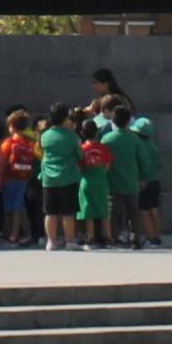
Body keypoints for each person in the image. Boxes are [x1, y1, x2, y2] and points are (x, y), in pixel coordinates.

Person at [114, 96, 162, 247]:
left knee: (143, 211)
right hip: (155, 180)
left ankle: (147, 237)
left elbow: (141, 162)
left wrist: (142, 178)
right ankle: (156, 236)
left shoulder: (137, 143)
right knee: (154, 210)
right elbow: (159, 164)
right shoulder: (154, 146)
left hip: (142, 181)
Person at [35, 105, 83, 253]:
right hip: (68, 176)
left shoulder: (45, 135)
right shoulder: (71, 136)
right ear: (64, 118)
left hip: (48, 178)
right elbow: (80, 155)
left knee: (50, 212)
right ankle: (69, 241)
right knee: (68, 212)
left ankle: (51, 242)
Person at [73, 106, 117, 249]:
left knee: (88, 211)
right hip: (101, 181)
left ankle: (91, 238)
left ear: (81, 133)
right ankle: (108, 238)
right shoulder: (103, 148)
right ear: (97, 132)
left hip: (86, 181)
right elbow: (109, 164)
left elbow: (78, 165)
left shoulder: (82, 149)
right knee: (104, 211)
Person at [0, 109, 39, 245]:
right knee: (18, 206)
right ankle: (14, 235)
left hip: (9, 177)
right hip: (23, 178)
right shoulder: (29, 143)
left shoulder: (8, 142)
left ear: (12, 127)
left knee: (8, 207)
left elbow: (2, 162)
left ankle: (8, 234)